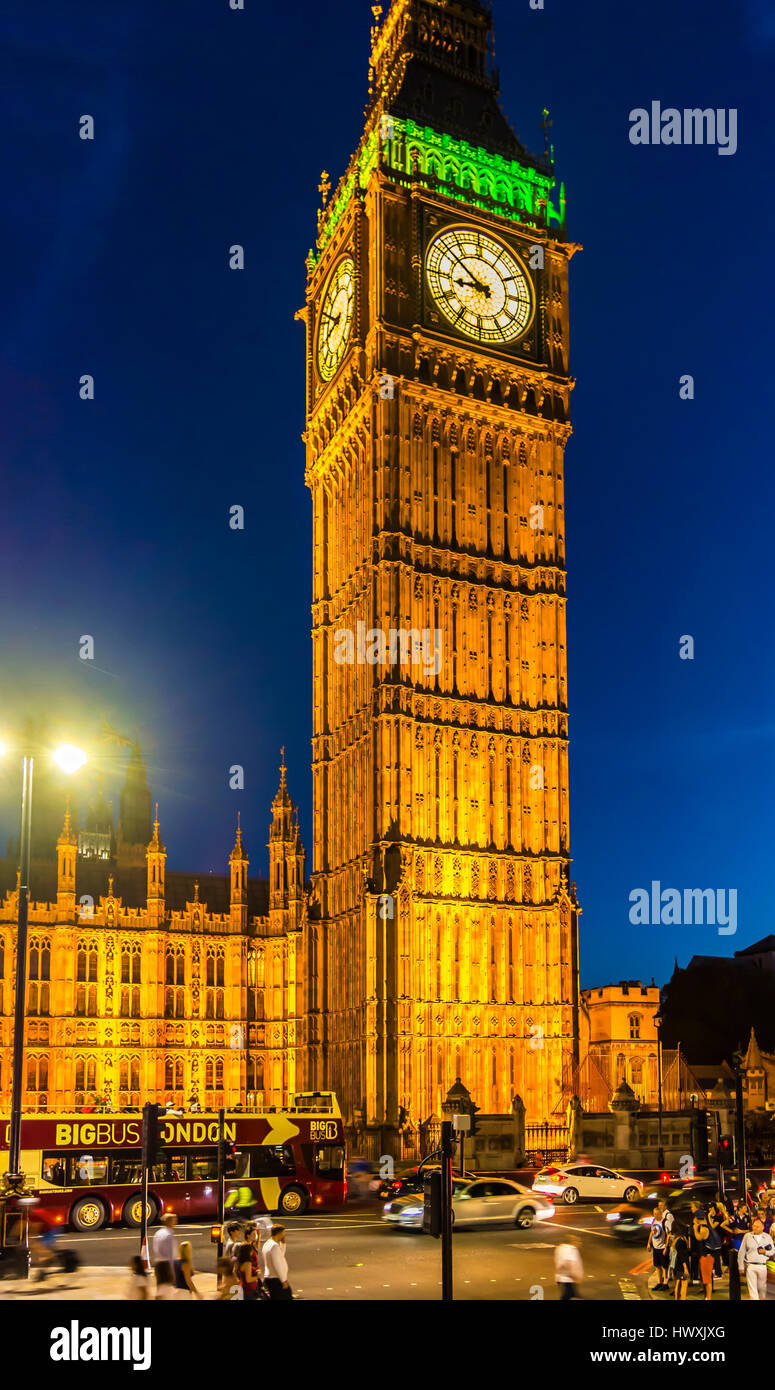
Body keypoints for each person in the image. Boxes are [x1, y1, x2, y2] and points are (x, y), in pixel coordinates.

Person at [738, 1218, 775, 1301]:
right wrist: (741, 1266)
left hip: (762, 1266)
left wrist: (765, 1252)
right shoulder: (747, 1236)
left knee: (762, 1288)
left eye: (757, 1227)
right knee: (752, 1289)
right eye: (754, 1226)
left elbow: (772, 1251)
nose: (754, 1228)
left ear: (762, 1227)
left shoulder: (767, 1236)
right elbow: (741, 1252)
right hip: (750, 1266)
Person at [151, 1211, 180, 1284]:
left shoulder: (158, 1233)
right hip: (167, 1266)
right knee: (168, 1290)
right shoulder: (169, 1235)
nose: (176, 1222)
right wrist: (173, 1272)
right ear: (170, 1222)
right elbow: (170, 1254)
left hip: (158, 1264)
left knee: (161, 1289)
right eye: (174, 1220)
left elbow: (155, 1248)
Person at [647, 1202, 670, 1291]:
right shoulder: (654, 1221)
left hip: (662, 1247)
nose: (655, 1215)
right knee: (657, 1266)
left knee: (665, 1266)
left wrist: (666, 1247)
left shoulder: (665, 1222)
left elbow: (668, 1235)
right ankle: (659, 1282)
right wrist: (649, 1243)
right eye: (654, 1214)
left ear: (661, 1213)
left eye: (657, 1214)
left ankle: (665, 1283)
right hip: (655, 1247)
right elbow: (652, 1232)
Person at [671, 1223, 691, 1301]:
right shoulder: (680, 1241)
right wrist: (685, 1267)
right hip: (682, 1266)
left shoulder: (677, 1240)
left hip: (678, 1266)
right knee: (684, 1286)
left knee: (678, 1284)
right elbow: (682, 1256)